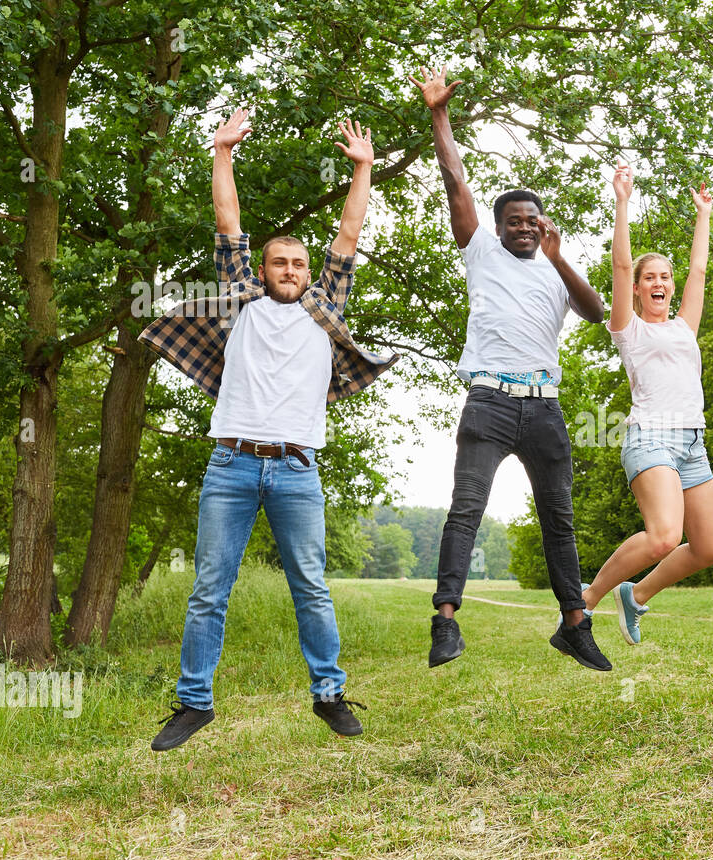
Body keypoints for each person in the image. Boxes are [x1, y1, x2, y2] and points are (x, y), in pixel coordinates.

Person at [140, 111, 397, 751]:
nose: (289, 268)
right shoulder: (240, 303)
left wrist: (362, 168)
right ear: (263, 268)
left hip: (297, 469)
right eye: (279, 261)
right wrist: (221, 151)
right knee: (209, 590)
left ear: (311, 274)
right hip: (230, 465)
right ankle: (194, 703)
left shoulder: (324, 309)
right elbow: (228, 223)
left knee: (310, 585)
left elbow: (349, 230)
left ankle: (328, 694)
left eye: (298, 263)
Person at [411, 67, 613, 671]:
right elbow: (455, 183)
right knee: (466, 506)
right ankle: (445, 620)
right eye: (514, 221)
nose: (523, 227)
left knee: (559, 517)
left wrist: (561, 255)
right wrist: (440, 115)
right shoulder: (481, 250)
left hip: (544, 407)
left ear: (543, 225)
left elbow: (597, 312)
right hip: (490, 404)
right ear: (498, 229)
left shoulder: (554, 265)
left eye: (533, 221)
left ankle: (574, 623)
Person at [580, 162, 713, 644]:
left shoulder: (684, 326)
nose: (660, 283)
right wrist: (622, 202)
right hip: (651, 439)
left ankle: (635, 596)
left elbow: (699, 270)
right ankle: (584, 603)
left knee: (708, 548)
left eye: (665, 276)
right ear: (639, 288)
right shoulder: (629, 329)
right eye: (651, 278)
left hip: (692, 444)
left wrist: (703, 214)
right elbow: (620, 264)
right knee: (664, 535)